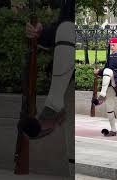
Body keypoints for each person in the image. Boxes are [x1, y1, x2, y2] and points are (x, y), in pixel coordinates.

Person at [24, 0, 75, 139]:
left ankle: (54, 105)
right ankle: (54, 106)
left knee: (66, 29)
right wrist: (40, 32)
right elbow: (61, 28)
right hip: (67, 73)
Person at [93, 37, 117, 137]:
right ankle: (113, 130)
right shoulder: (110, 57)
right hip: (110, 84)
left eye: (114, 44)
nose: (112, 46)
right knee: (109, 107)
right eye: (111, 45)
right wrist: (98, 72)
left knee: (108, 71)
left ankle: (102, 94)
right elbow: (106, 69)